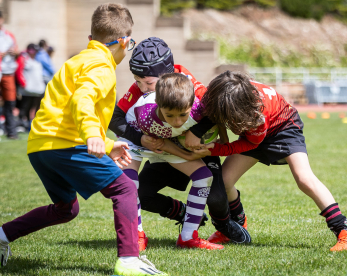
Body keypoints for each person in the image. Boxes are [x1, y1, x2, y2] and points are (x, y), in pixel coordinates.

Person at [0, 4, 166, 275]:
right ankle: (129, 261)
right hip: (65, 144)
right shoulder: (101, 66)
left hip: (40, 147)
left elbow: (66, 109)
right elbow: (82, 99)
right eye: (131, 42)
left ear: (91, 39)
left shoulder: (76, 61)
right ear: (124, 42)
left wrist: (109, 143)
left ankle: (2, 235)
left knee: (66, 209)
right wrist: (92, 135)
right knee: (124, 189)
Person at [190, 71, 347, 251]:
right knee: (224, 181)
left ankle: (346, 233)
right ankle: (236, 226)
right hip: (253, 132)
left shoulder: (256, 114)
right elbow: (190, 79)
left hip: (283, 129)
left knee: (304, 179)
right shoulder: (216, 93)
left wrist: (215, 149)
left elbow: (250, 143)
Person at [109, 37, 251, 251]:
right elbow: (115, 118)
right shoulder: (143, 92)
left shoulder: (187, 84)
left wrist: (195, 133)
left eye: (148, 83)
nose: (142, 88)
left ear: (167, 76)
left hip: (196, 149)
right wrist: (141, 139)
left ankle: (227, 224)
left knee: (216, 198)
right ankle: (179, 213)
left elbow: (213, 110)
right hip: (164, 148)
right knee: (138, 192)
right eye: (138, 82)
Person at [120, 72, 231, 250]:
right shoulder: (147, 118)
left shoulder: (199, 109)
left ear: (191, 106)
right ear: (159, 106)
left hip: (164, 138)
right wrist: (187, 155)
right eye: (170, 115)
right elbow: (161, 144)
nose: (177, 121)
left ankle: (188, 237)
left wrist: (223, 140)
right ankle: (135, 236)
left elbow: (217, 117)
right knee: (129, 181)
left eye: (182, 115)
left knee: (204, 176)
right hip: (139, 135)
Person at [15, 43, 45, 130]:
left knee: (36, 108)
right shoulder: (23, 59)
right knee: (25, 107)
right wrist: (24, 84)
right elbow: (19, 72)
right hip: (27, 90)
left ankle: (33, 124)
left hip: (37, 90)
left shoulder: (37, 61)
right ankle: (23, 124)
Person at [0, 10, 19, 139]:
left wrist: (13, 52)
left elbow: (17, 50)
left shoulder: (9, 35)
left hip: (8, 72)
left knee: (10, 102)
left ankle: (11, 131)